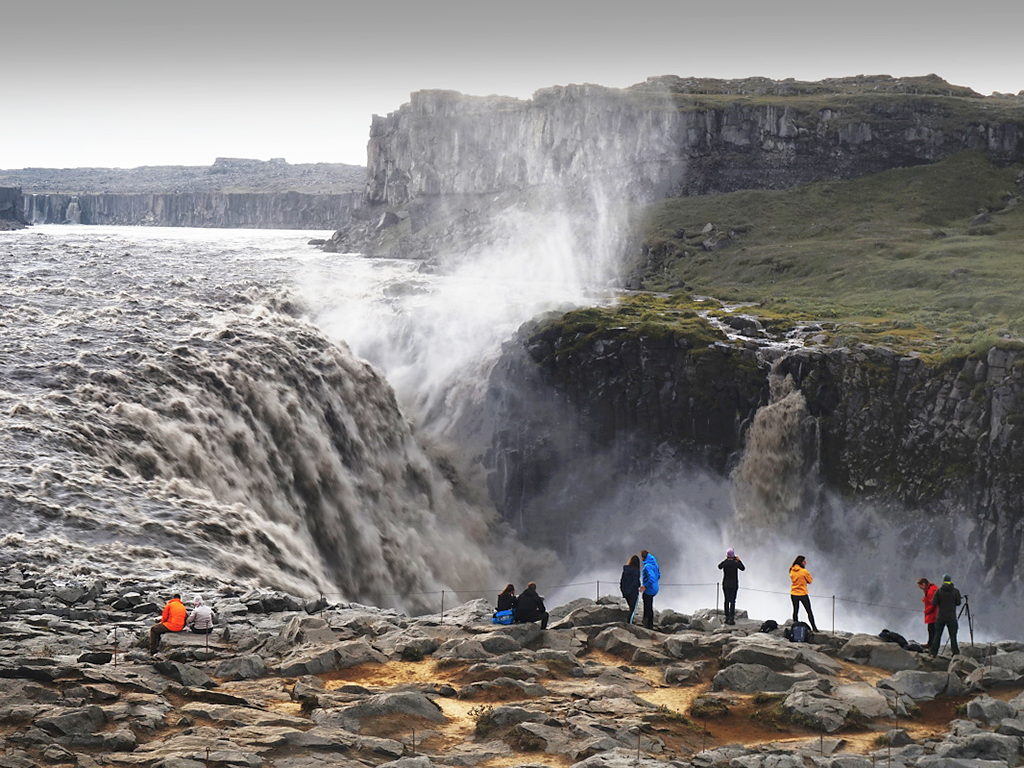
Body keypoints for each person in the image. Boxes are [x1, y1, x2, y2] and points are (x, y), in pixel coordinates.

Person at [930, 573, 962, 656]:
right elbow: (958, 603)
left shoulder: (939, 591)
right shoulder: (955, 591)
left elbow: (933, 603)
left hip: (940, 617)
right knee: (953, 636)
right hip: (951, 617)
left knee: (937, 635)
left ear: (943, 580)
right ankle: (955, 653)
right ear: (950, 581)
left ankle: (934, 652)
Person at [789, 555, 819, 632]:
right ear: (801, 562)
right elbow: (810, 581)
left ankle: (795, 627)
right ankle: (814, 628)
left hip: (794, 593)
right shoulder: (804, 572)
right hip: (802, 593)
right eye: (804, 561)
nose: (805, 563)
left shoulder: (791, 570)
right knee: (809, 611)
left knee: (795, 611)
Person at [718, 548, 745, 625]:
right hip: (734, 584)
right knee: (732, 601)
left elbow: (719, 566)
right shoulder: (735, 563)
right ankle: (731, 619)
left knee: (726, 600)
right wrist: (738, 560)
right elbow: (743, 568)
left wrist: (726, 560)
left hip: (726, 584)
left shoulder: (725, 563)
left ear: (727, 555)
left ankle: (726, 617)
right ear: (733, 556)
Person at [640, 549, 660, 630]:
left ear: (643, 557)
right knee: (648, 602)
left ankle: (648, 624)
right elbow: (658, 575)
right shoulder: (654, 563)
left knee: (648, 604)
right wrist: (655, 582)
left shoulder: (647, 566)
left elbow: (651, 578)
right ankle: (646, 620)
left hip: (650, 588)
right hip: (655, 587)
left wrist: (645, 586)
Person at [917, 577, 939, 648]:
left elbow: (933, 604)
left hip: (933, 614)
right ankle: (931, 644)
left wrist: (926, 611)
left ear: (923, 584)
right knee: (931, 629)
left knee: (931, 629)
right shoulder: (932, 588)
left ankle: (931, 645)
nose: (921, 589)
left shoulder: (930, 592)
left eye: (921, 587)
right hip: (935, 613)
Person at [620, 555, 641, 621]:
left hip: (626, 593)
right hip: (633, 593)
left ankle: (628, 622)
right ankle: (629, 624)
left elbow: (622, 582)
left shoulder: (625, 570)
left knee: (630, 609)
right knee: (632, 610)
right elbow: (636, 583)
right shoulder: (636, 572)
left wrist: (623, 592)